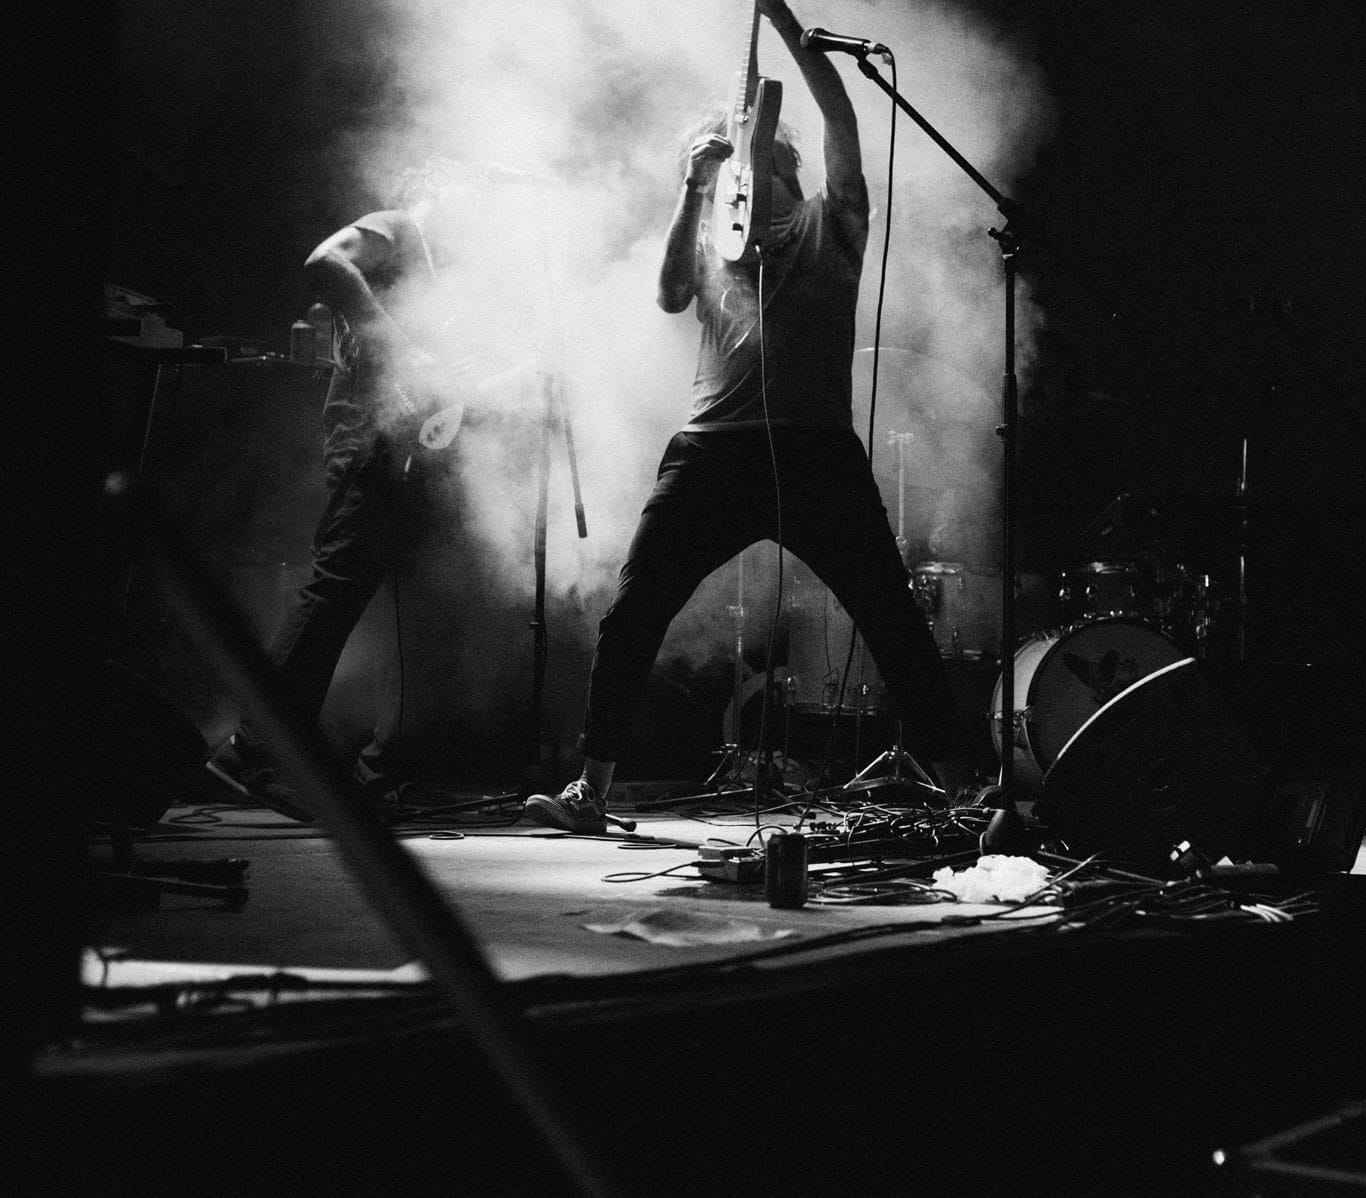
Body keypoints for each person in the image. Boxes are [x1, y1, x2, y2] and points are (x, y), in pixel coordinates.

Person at [526, 0, 973, 831]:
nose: (743, 178)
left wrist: (785, 24)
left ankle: (965, 792)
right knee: (632, 613)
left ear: (782, 170)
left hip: (814, 455)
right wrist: (691, 188)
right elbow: (665, 295)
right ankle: (594, 785)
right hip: (710, 452)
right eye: (732, 170)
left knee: (891, 618)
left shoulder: (832, 227)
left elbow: (840, 115)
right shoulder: (710, 242)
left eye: (752, 165)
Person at [209, 162, 490, 818]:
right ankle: (254, 749)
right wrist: (394, 342)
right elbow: (323, 261)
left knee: (405, 608)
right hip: (371, 440)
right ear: (435, 188)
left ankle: (383, 770)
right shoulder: (398, 227)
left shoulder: (440, 276)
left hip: (410, 447)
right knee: (335, 590)